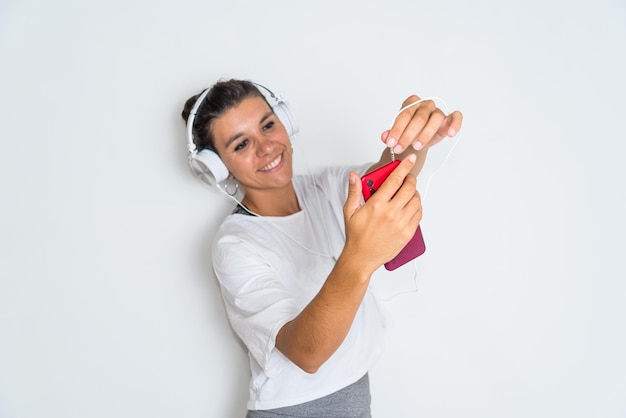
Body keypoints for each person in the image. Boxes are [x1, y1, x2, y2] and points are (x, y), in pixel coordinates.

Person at [181, 79, 463, 417]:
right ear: (218, 168)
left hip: (355, 398)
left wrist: (416, 138)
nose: (266, 146)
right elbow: (307, 354)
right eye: (241, 144)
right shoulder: (236, 244)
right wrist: (360, 257)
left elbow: (388, 178)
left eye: (268, 125)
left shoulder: (324, 186)